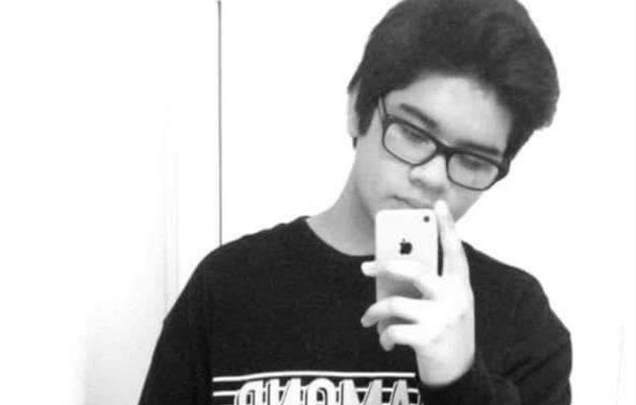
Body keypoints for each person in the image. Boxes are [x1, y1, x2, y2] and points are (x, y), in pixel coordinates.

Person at [139, 0, 571, 403]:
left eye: (473, 161)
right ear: (356, 108)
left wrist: (458, 383)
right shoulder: (228, 285)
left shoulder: (520, 316)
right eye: (413, 133)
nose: (432, 176)